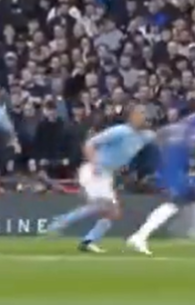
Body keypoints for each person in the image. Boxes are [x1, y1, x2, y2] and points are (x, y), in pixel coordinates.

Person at [45, 106, 153, 253]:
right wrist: (95, 165)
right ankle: (60, 222)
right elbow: (90, 144)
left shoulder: (145, 136)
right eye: (141, 114)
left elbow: (159, 137)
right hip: (94, 170)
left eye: (146, 115)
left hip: (107, 174)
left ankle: (87, 241)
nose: (145, 117)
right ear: (132, 117)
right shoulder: (120, 131)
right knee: (104, 206)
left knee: (113, 212)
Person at [125, 110, 195, 255]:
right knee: (172, 205)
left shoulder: (174, 135)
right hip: (172, 177)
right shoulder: (180, 138)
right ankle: (140, 236)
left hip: (177, 176)